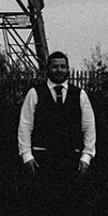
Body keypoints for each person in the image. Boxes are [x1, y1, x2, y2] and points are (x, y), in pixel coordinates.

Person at [18, 51, 96, 189]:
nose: (59, 70)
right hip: (41, 159)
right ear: (48, 69)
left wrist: (87, 156)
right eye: (55, 66)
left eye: (62, 66)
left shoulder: (79, 95)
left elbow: (89, 127)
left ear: (68, 69)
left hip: (72, 159)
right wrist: (27, 155)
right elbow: (25, 125)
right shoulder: (34, 93)